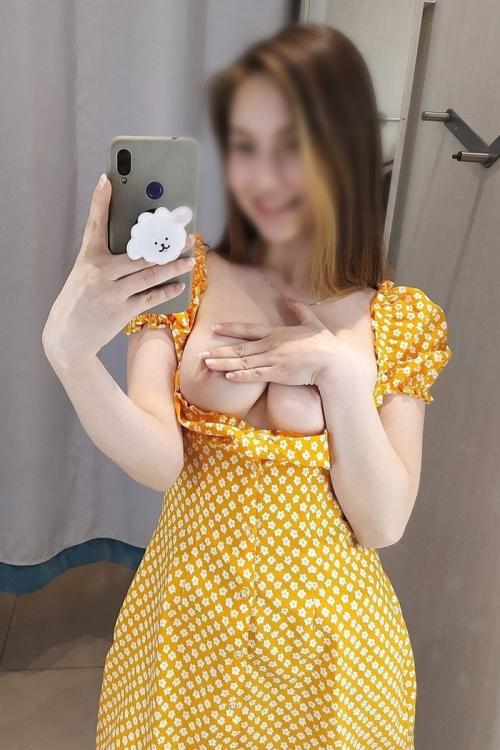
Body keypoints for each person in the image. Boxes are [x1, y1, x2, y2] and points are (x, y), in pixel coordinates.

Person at [43, 22, 452, 750]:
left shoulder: (400, 318)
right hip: (187, 628)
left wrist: (340, 376)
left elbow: (383, 523)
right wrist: (71, 356)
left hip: (333, 654)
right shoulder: (184, 276)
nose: (262, 176)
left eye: (292, 147)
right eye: (246, 145)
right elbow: (158, 462)